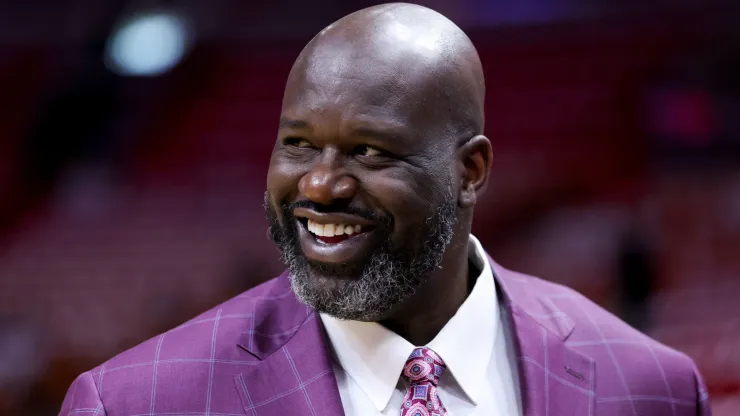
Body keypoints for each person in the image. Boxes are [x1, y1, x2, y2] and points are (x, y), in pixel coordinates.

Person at [60, 3, 711, 415]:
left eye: (369, 151)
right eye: (297, 144)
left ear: (470, 170)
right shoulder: (134, 402)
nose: (318, 184)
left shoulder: (649, 388)